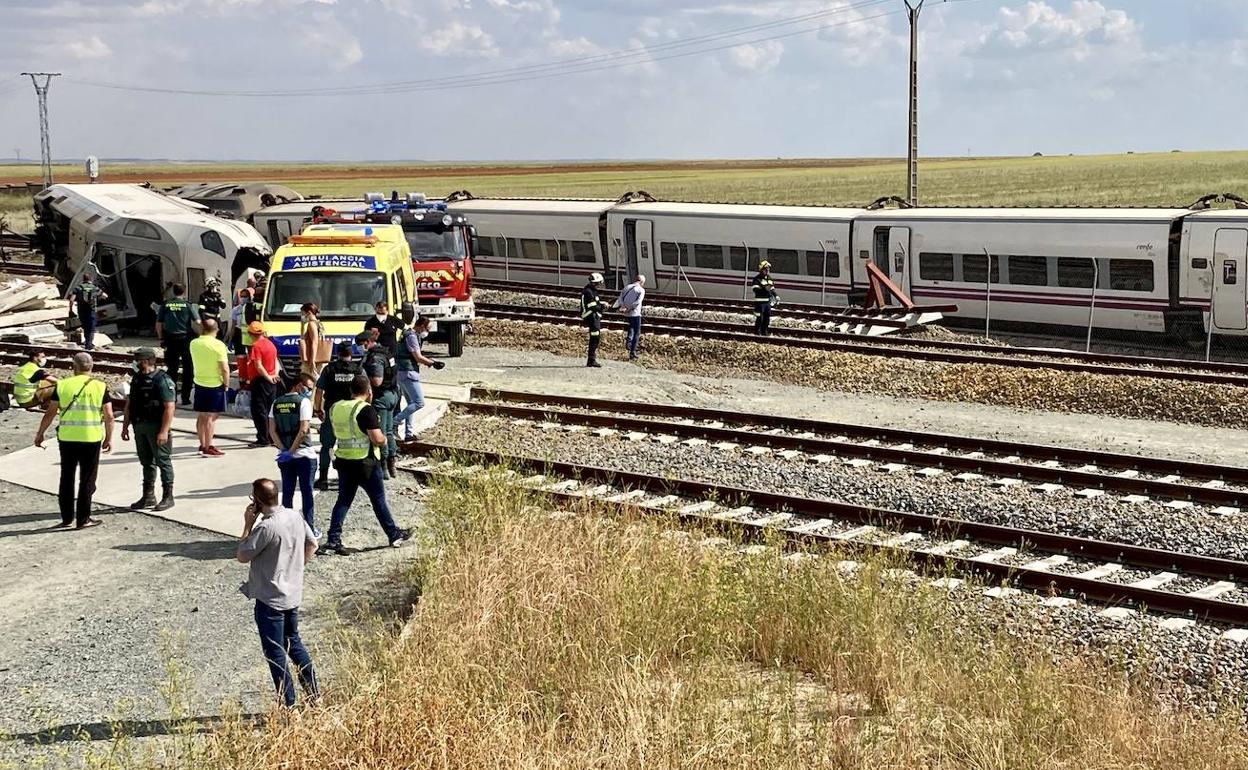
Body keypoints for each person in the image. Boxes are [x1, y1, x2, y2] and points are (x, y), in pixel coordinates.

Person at [236, 478, 320, 709]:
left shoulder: (266, 527)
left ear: (258, 501)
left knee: (275, 652)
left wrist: (247, 524)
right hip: (292, 595)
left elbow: (242, 556)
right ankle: (314, 695)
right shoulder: (294, 516)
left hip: (270, 600)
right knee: (294, 643)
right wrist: (295, 569)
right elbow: (313, 545)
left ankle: (288, 704)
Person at [322, 375, 410, 556]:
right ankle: (393, 535)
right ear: (369, 391)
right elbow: (377, 439)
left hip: (344, 461)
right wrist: (385, 440)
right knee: (378, 500)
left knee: (343, 500)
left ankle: (333, 540)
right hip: (366, 463)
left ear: (351, 390)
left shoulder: (336, 408)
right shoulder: (366, 410)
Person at [33, 352, 113, 529]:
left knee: (66, 477)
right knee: (87, 479)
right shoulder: (100, 386)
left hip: (67, 438)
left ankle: (67, 517)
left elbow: (51, 412)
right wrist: (109, 437)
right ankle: (83, 519)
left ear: (74, 367)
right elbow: (109, 416)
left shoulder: (62, 385)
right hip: (91, 438)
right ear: (91, 367)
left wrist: (40, 433)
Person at [121, 347, 176, 511]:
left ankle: (168, 496)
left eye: (138, 360)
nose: (136, 363)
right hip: (140, 426)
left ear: (145, 361)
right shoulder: (137, 378)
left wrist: (164, 431)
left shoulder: (162, 380)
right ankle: (148, 496)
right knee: (146, 462)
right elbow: (130, 404)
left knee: (163, 460)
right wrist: (125, 426)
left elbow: (169, 407)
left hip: (156, 427)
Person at [269, 373, 318, 534]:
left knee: (287, 493)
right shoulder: (303, 402)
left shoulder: (276, 403)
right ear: (298, 385)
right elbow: (303, 430)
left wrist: (283, 450)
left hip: (285, 457)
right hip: (304, 455)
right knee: (307, 493)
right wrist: (292, 451)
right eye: (308, 388)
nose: (310, 391)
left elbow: (272, 430)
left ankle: (287, 529)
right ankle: (310, 529)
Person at [313, 343, 362, 490]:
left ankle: (323, 479)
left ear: (337, 353)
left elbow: (319, 390)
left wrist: (318, 409)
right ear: (351, 353)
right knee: (349, 445)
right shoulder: (358, 369)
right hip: (351, 413)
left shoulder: (329, 369)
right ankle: (347, 479)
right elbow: (367, 390)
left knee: (326, 445)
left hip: (332, 412)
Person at [395, 315, 446, 441]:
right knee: (419, 402)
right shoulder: (412, 336)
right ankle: (394, 422)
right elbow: (417, 357)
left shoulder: (409, 334)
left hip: (402, 372)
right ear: (421, 326)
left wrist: (430, 361)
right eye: (427, 329)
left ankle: (408, 434)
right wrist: (432, 363)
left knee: (410, 404)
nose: (427, 332)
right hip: (408, 373)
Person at [358, 331, 400, 478]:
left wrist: (362, 375)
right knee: (389, 431)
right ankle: (392, 462)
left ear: (366, 342)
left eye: (360, 345)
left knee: (381, 431)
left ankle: (384, 467)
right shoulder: (386, 352)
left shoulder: (375, 357)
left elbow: (377, 381)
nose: (359, 348)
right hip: (393, 394)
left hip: (381, 396)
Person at [190, 317, 231, 457]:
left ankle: (202, 444)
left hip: (199, 381)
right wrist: (226, 383)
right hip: (215, 384)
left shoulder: (194, 343)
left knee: (202, 415)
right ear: (216, 329)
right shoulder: (218, 345)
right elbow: (224, 368)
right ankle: (209, 445)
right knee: (211, 417)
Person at [157, 283, 201, 407]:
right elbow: (197, 321)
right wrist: (200, 334)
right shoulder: (187, 305)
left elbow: (159, 324)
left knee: (172, 370)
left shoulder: (165, 305)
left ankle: (172, 397)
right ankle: (186, 398)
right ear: (184, 292)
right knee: (188, 369)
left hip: (170, 340)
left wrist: (161, 337)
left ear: (173, 291)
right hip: (185, 340)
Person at [247, 321, 280, 448]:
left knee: (259, 410)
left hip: (260, 381)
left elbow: (258, 366)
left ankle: (263, 438)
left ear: (250, 333)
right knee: (270, 409)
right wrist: (274, 375)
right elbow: (276, 360)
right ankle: (272, 436)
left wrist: (267, 377)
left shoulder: (256, 346)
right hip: (272, 381)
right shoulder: (270, 344)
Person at [612, 274, 646, 361]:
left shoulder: (627, 287)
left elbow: (620, 298)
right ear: (642, 282)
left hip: (626, 313)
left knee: (631, 327)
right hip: (635, 313)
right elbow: (637, 302)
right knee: (637, 332)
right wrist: (629, 309)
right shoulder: (641, 290)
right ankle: (633, 352)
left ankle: (628, 343)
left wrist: (623, 307)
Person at [72, 274, 108, 351]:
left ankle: (87, 343)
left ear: (83, 279)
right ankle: (89, 345)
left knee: (85, 328)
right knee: (91, 329)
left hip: (81, 311)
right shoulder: (94, 288)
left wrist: (70, 309)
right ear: (90, 279)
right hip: (91, 311)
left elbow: (72, 300)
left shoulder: (78, 288)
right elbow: (105, 296)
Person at [581, 272, 606, 368]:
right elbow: (593, 306)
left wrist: (601, 304)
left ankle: (592, 360)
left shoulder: (591, 290)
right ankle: (591, 360)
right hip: (591, 317)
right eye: (600, 283)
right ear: (596, 283)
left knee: (595, 338)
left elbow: (594, 303)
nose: (600, 285)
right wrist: (603, 306)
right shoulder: (589, 292)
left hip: (593, 316)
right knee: (595, 339)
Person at [299, 303, 327, 378]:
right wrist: (302, 325)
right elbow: (303, 338)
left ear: (309, 312)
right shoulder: (319, 323)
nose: (303, 316)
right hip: (320, 357)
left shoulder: (311, 324)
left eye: (303, 313)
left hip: (313, 359)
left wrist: (312, 360)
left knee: (310, 380)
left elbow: (314, 342)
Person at [751, 261, 778, 336]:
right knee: (760, 318)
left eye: (768, 269)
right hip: (759, 303)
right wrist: (764, 289)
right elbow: (755, 289)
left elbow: (772, 289)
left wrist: (776, 296)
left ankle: (764, 332)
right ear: (761, 270)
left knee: (767, 319)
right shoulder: (757, 279)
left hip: (767, 303)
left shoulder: (769, 278)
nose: (767, 271)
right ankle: (757, 332)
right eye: (766, 269)